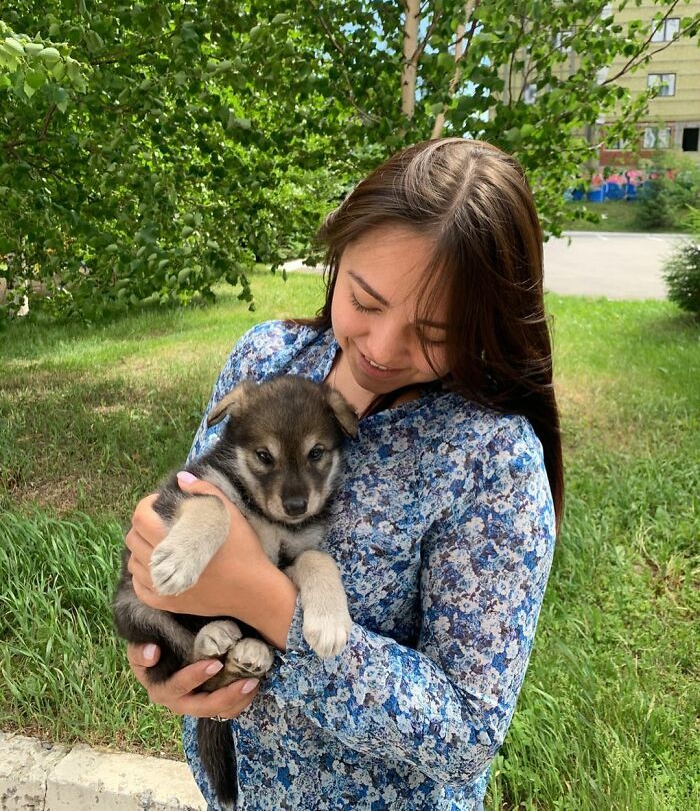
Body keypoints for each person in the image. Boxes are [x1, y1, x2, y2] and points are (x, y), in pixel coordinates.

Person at [124, 137, 563, 810]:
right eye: (365, 299)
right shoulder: (267, 356)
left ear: (485, 323)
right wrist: (165, 656)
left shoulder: (489, 459)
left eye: (436, 332)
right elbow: (187, 509)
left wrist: (266, 604)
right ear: (338, 251)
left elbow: (469, 730)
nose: (383, 350)